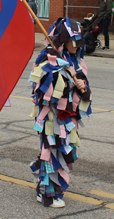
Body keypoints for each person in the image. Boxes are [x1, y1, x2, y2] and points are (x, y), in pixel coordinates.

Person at [29, 17, 92, 208]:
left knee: (65, 151)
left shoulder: (75, 61)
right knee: (51, 150)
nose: (77, 46)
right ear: (63, 40)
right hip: (51, 116)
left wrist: (82, 85)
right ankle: (46, 192)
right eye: (74, 42)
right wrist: (65, 78)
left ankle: (46, 180)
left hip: (68, 118)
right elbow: (41, 90)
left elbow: (84, 92)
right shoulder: (47, 58)